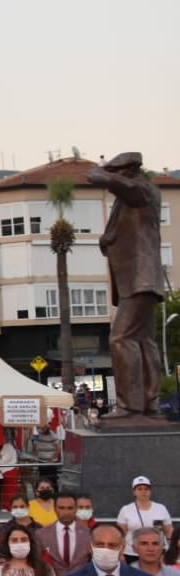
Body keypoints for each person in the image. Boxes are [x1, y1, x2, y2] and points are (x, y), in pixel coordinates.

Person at [87, 151, 165, 418]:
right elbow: (121, 232)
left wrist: (101, 172)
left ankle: (130, 405)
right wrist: (108, 239)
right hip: (140, 280)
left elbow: (97, 177)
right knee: (144, 341)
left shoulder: (141, 189)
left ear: (129, 170)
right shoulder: (131, 199)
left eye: (115, 171)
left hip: (140, 279)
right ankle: (148, 401)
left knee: (121, 339)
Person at [116, 475, 172, 560]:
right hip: (132, 553)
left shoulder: (161, 508)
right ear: (134, 492)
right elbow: (120, 534)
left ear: (150, 491)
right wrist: (120, 553)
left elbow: (169, 531)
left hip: (157, 552)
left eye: (146, 489)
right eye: (140, 489)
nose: (143, 492)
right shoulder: (126, 509)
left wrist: (170, 551)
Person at [44, 490, 92, 576]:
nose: (66, 512)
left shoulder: (89, 534)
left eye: (70, 508)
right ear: (55, 509)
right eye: (61, 508)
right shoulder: (41, 534)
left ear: (75, 509)